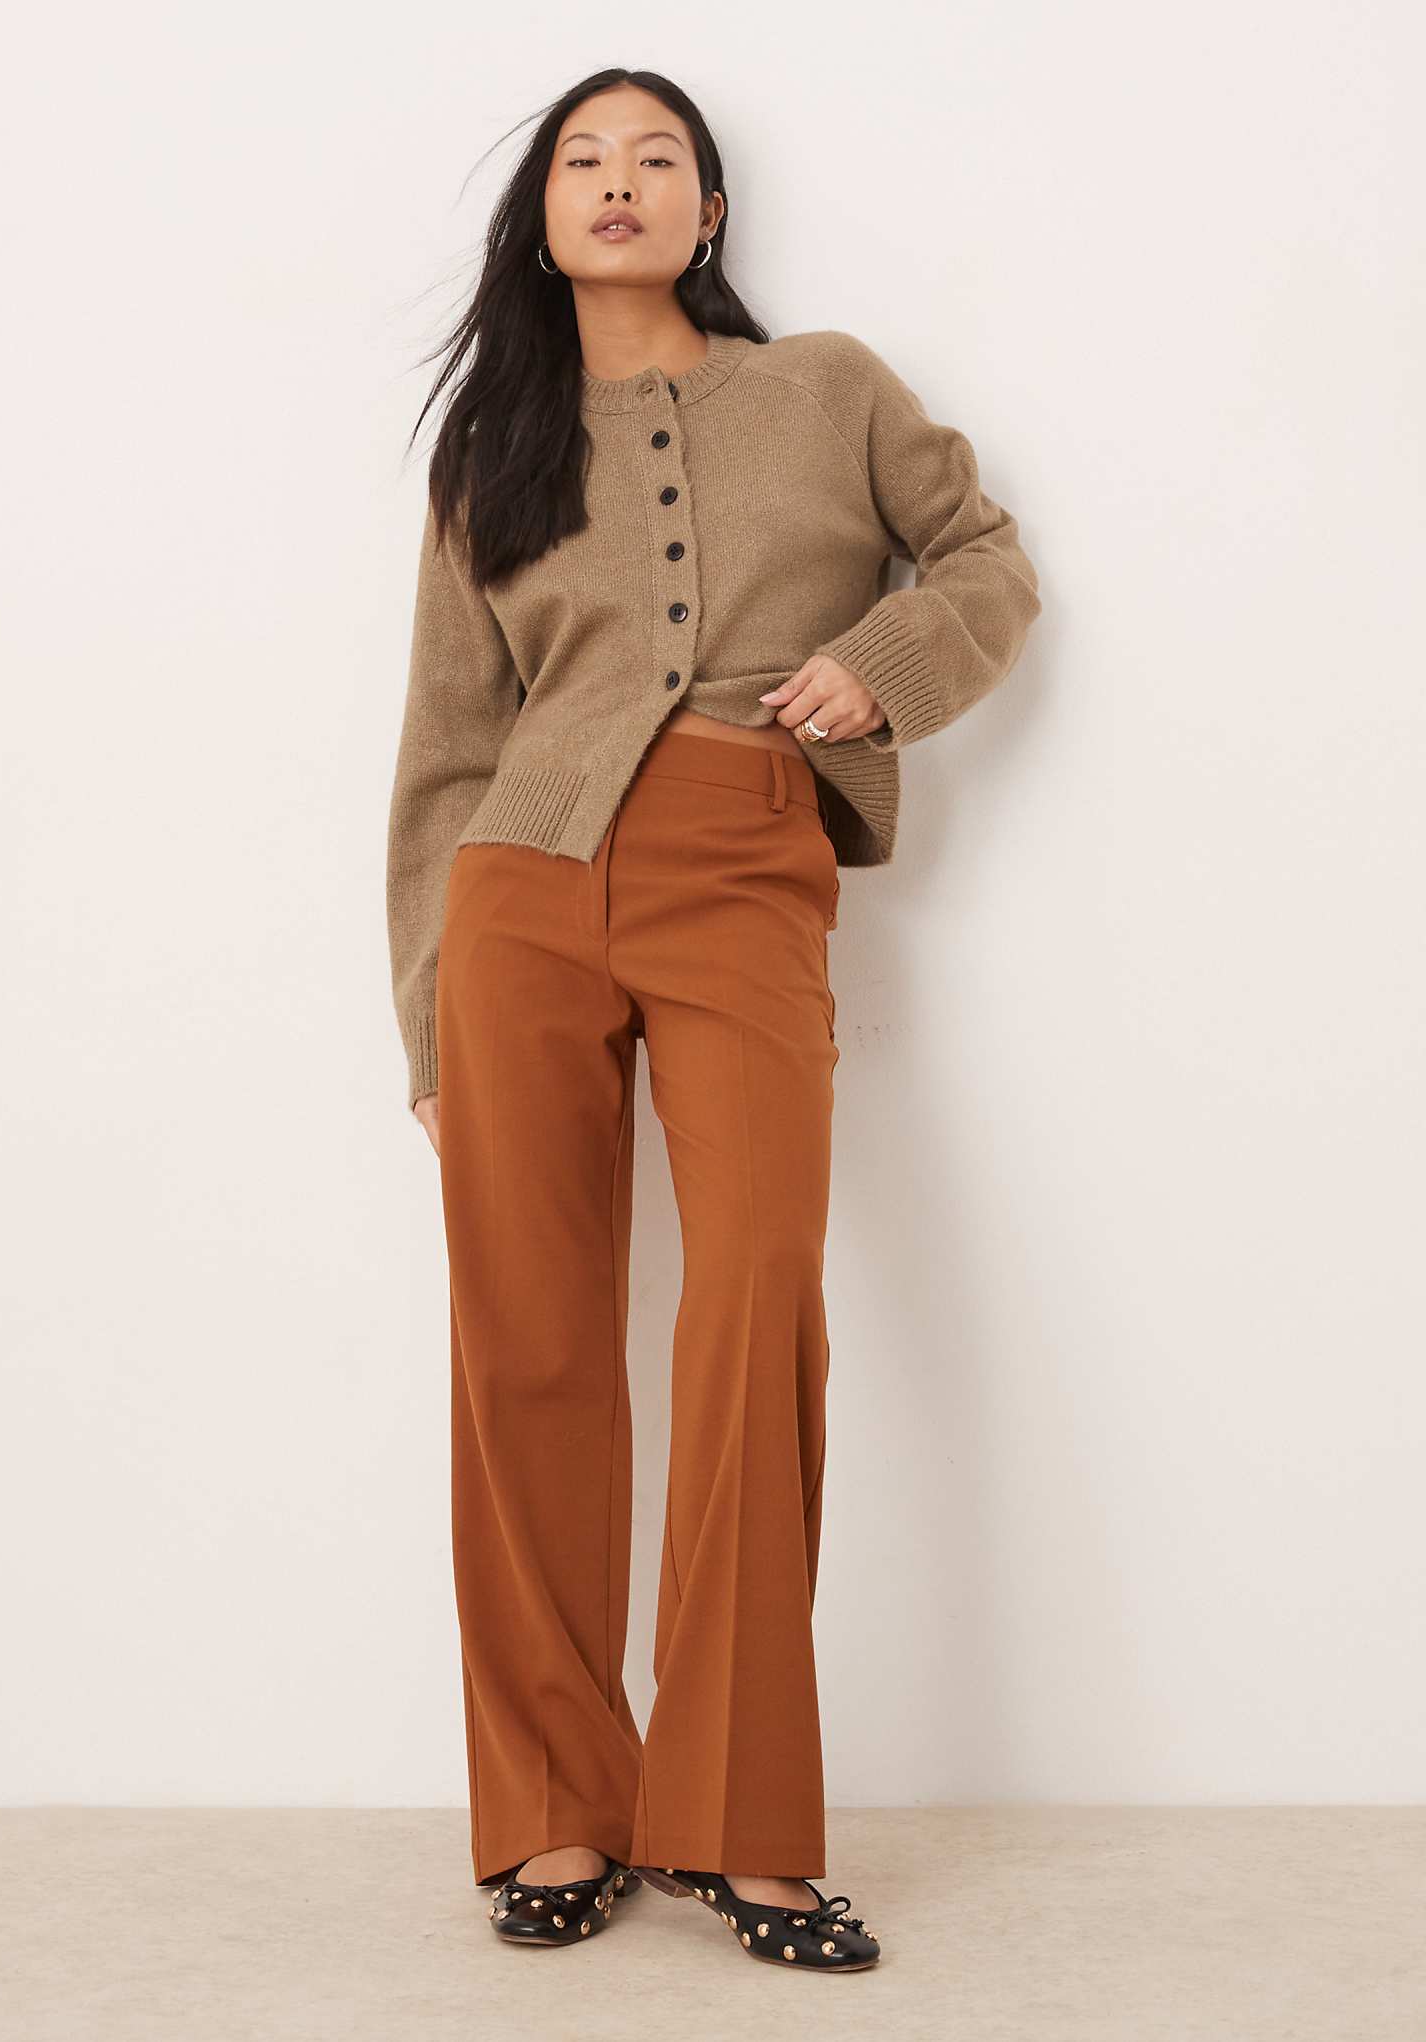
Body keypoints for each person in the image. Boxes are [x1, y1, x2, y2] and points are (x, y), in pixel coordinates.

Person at [384, 66, 1041, 1973]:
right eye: (582, 160)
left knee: (756, 1302)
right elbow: (444, 754)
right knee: (526, 1342)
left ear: (709, 210)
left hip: (745, 865)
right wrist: (429, 1017)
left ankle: (743, 1821)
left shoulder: (827, 388)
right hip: (517, 892)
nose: (620, 182)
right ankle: (554, 1808)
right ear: (540, 218)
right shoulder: (490, 454)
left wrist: (885, 662)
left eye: (656, 157)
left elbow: (988, 555)